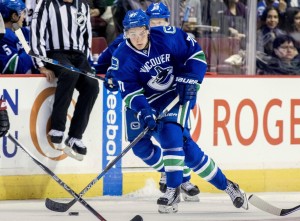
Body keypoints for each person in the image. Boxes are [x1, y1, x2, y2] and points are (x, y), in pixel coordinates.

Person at [110, 9, 248, 213]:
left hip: (178, 93)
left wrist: (192, 77)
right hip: (149, 100)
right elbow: (130, 92)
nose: (137, 38)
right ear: (125, 33)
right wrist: (145, 112)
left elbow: (197, 54)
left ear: (148, 30)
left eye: (141, 33)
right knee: (188, 152)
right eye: (132, 34)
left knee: (170, 136)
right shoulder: (122, 56)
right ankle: (228, 186)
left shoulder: (168, 36)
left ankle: (172, 191)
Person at [97, 2, 200, 202]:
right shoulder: (127, 40)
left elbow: (187, 63)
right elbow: (102, 64)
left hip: (168, 98)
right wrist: (110, 74)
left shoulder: (168, 39)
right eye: (153, 21)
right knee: (140, 147)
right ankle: (167, 171)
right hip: (139, 101)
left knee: (179, 139)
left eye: (161, 21)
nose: (157, 25)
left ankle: (182, 179)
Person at [30, 0, 100, 161]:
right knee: (70, 74)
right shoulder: (46, 4)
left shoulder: (82, 6)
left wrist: (87, 64)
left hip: (79, 56)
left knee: (92, 85)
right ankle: (57, 127)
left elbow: (86, 36)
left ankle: (75, 136)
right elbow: (36, 32)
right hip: (55, 53)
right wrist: (41, 65)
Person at [0, 0, 36, 74]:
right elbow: (14, 67)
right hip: (14, 84)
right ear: (14, 16)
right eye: (23, 13)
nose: (24, 17)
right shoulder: (4, 36)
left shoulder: (24, 31)